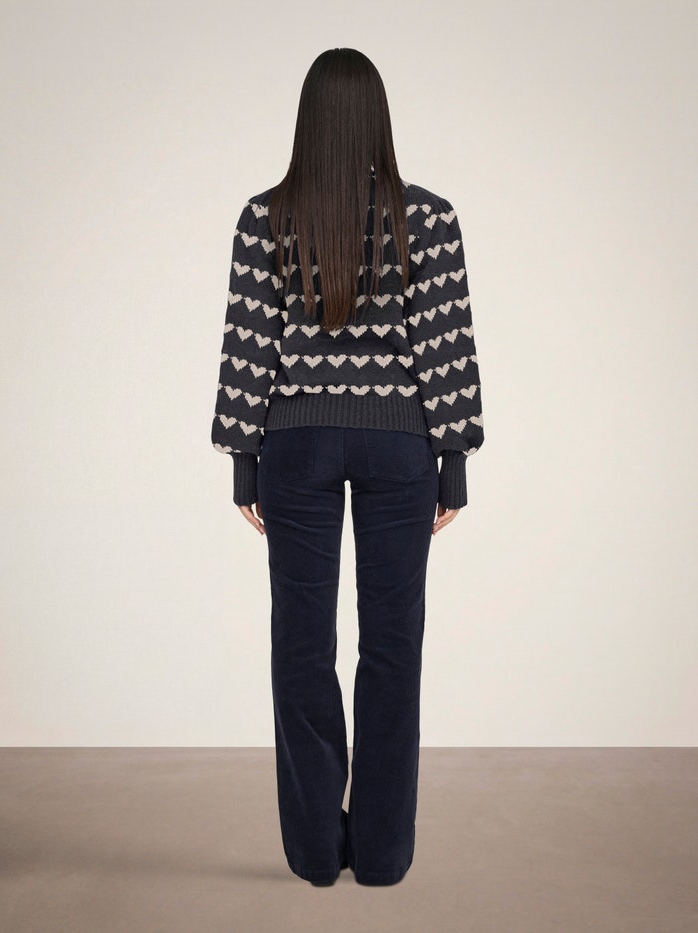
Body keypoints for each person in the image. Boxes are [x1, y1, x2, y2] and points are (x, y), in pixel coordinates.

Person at [211, 47, 485, 887]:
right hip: (400, 447)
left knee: (301, 645)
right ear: (376, 117)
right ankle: (385, 853)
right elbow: (443, 343)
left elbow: (250, 341)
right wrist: (453, 460)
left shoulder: (265, 217)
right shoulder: (427, 217)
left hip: (295, 446)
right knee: (393, 647)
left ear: (310, 118)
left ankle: (313, 853)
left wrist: (244, 459)